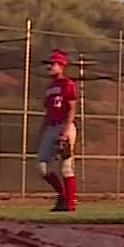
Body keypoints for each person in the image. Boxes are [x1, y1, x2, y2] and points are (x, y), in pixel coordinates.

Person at [37, 49, 80, 212]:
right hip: (51, 127)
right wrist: (42, 132)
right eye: (49, 64)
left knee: (66, 166)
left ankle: (69, 204)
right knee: (42, 166)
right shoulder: (50, 88)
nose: (49, 67)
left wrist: (65, 131)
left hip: (64, 126)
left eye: (52, 64)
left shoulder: (67, 84)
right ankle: (62, 196)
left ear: (61, 66)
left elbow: (71, 109)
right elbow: (48, 113)